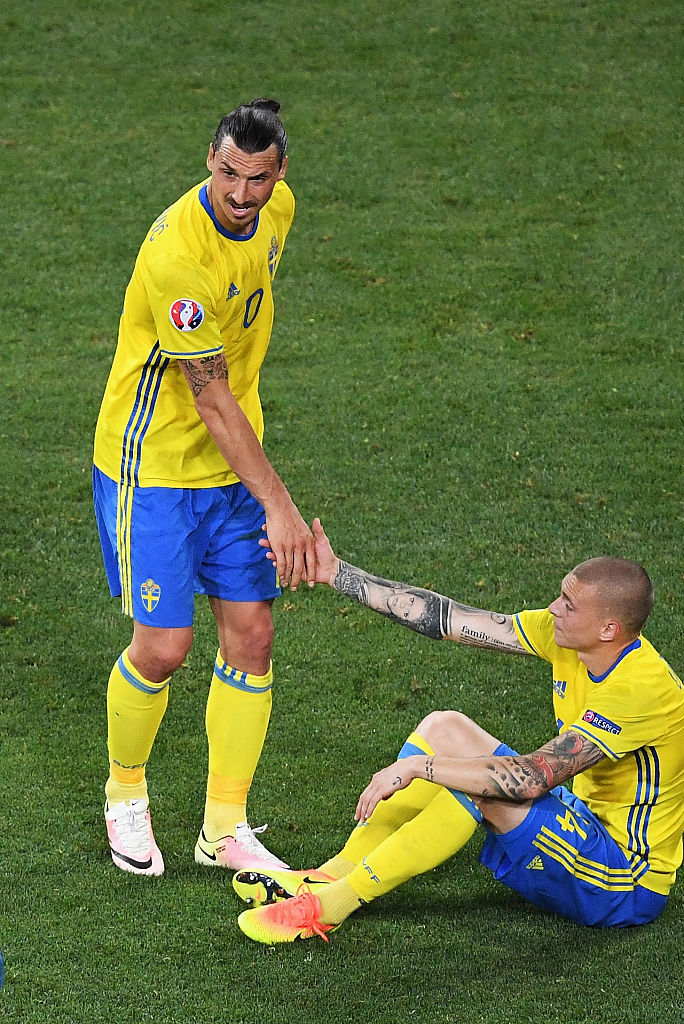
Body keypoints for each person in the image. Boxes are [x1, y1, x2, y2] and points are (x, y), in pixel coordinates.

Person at [234, 518, 684, 942]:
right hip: (582, 822)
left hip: (623, 880)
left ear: (608, 629)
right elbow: (448, 619)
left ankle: (329, 907)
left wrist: (420, 767)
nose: (554, 608)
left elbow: (531, 777)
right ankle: (328, 876)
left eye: (569, 605)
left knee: (481, 786)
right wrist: (337, 573)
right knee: (445, 727)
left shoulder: (640, 691)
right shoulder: (571, 639)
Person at [92, 99, 315, 877]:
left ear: (279, 174)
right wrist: (279, 505)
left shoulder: (278, 210)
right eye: (227, 173)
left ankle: (224, 827)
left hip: (232, 465)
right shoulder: (178, 258)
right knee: (164, 647)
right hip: (154, 468)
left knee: (252, 637)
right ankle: (125, 794)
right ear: (208, 161)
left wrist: (261, 492)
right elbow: (210, 397)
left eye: (257, 178)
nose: (241, 194)